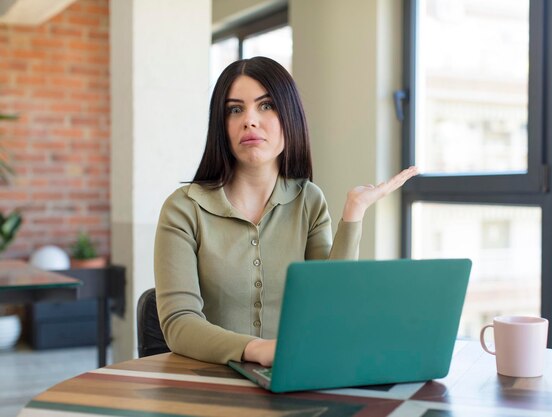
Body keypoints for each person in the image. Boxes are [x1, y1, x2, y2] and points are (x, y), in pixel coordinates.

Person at [154, 56, 418, 367]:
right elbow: (179, 324)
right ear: (221, 125)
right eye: (235, 109)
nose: (250, 120)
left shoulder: (308, 199)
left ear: (289, 116)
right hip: (207, 383)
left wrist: (354, 213)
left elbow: (330, 304)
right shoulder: (183, 209)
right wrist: (258, 350)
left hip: (293, 376)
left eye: (266, 105)